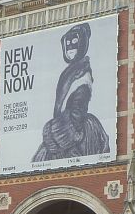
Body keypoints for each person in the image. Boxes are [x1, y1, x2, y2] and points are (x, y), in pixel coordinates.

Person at [31, 23, 110, 163]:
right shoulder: (72, 70)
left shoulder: (81, 73)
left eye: (75, 43)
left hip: (72, 128)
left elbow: (78, 107)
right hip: (64, 124)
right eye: (68, 44)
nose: (71, 48)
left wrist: (65, 134)